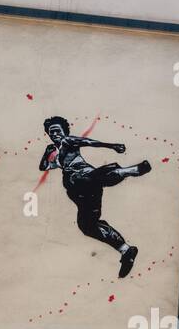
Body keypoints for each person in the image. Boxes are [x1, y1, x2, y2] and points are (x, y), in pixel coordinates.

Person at [40, 115, 151, 278]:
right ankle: (126, 250)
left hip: (82, 177)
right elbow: (44, 167)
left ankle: (130, 171)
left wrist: (112, 146)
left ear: (65, 131)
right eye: (51, 132)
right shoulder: (56, 153)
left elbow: (88, 142)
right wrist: (47, 153)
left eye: (57, 130)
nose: (55, 134)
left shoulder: (68, 142)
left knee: (90, 178)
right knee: (87, 225)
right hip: (81, 195)